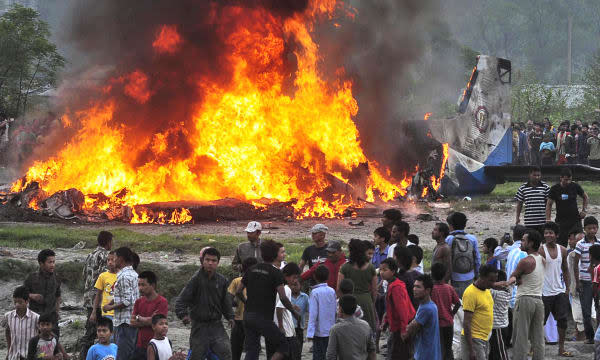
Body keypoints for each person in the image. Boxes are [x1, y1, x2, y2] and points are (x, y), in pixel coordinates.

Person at [237, 240, 300, 360]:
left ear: (261, 253)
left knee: (252, 351)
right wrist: (293, 312)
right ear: (275, 255)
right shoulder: (276, 273)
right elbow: (282, 297)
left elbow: (239, 291)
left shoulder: (251, 269)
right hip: (263, 318)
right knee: (283, 346)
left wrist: (247, 303)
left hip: (248, 316)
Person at [175, 247, 234, 360]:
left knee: (226, 353)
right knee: (197, 356)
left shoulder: (222, 280)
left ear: (218, 263)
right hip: (199, 326)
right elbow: (181, 301)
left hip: (217, 325)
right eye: (207, 260)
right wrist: (183, 315)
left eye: (213, 260)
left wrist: (230, 317)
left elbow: (226, 302)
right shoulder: (196, 280)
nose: (210, 263)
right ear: (202, 261)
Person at [505, 230, 545, 360]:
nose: (521, 243)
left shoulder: (526, 261)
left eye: (523, 240)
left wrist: (509, 282)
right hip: (539, 300)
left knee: (520, 337)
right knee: (538, 337)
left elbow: (513, 277)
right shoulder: (542, 260)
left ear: (531, 243)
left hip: (524, 300)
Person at [539, 221, 572, 356]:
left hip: (559, 291)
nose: (548, 235)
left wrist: (567, 288)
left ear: (556, 235)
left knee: (562, 321)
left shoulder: (562, 250)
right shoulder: (541, 250)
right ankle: (536, 347)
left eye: (551, 233)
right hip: (544, 292)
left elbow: (565, 270)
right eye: (546, 233)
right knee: (540, 321)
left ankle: (561, 348)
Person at [80, 231, 113, 360]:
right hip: (99, 301)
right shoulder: (106, 256)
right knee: (102, 331)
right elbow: (105, 279)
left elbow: (84, 274)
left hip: (88, 297)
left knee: (90, 331)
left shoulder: (90, 254)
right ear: (108, 242)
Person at [103, 246, 139, 360]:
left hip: (124, 323)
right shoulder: (134, 274)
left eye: (116, 258)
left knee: (123, 355)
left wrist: (110, 307)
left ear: (121, 259)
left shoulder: (123, 276)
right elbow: (124, 295)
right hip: (131, 321)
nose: (114, 261)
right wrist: (112, 302)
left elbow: (127, 300)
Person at [338, 239, 377, 332]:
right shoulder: (371, 267)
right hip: (366, 301)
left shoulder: (345, 267)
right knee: (367, 330)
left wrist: (341, 304)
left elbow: (338, 289)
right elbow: (374, 290)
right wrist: (372, 303)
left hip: (349, 302)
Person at [459, 264, 498, 360]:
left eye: (495, 281)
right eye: (491, 280)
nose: (493, 284)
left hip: (485, 338)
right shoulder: (470, 293)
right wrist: (471, 350)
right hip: (474, 339)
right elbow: (466, 323)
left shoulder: (487, 291)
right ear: (482, 277)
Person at [379, 258, 415, 360]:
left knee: (398, 354)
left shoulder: (397, 287)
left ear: (393, 271)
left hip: (401, 325)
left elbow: (402, 310)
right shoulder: (392, 284)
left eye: (385, 270)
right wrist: (386, 320)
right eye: (381, 269)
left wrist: (404, 330)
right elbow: (391, 307)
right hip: (397, 325)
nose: (381, 272)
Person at [23, 249, 61, 340]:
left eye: (53, 262)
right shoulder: (32, 278)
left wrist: (57, 311)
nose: (52, 265)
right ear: (41, 263)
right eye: (49, 262)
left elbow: (58, 296)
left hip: (51, 318)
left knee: (54, 342)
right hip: (36, 318)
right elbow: (21, 294)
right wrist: (32, 296)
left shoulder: (56, 277)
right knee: (35, 343)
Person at [573, 216, 600, 344]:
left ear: (597, 228)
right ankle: (590, 336)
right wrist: (577, 282)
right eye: (589, 228)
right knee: (586, 310)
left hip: (597, 281)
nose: (592, 231)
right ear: (585, 229)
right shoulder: (580, 244)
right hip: (585, 281)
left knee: (598, 309)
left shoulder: (599, 243)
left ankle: (598, 336)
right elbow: (575, 263)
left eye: (594, 228)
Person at [546, 167, 589, 247]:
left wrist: (584, 210)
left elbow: (585, 197)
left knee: (579, 242)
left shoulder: (575, 186)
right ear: (561, 178)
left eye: (570, 179)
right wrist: (548, 219)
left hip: (575, 220)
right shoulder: (555, 189)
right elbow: (549, 204)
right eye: (565, 180)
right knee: (560, 245)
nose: (568, 182)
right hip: (561, 221)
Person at [403, 274, 441, 360]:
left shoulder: (426, 309)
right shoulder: (429, 305)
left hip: (425, 355)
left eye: (418, 287)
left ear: (427, 290)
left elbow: (407, 333)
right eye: (414, 286)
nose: (414, 289)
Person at [131, 271, 169, 358]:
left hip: (157, 345)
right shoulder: (138, 301)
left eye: (143, 285)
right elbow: (132, 322)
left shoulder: (162, 302)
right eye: (139, 285)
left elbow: (157, 322)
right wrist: (147, 320)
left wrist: (139, 318)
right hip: (140, 345)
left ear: (152, 285)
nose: (140, 288)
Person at [326, 295, 375, 360]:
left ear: (340, 309)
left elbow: (331, 355)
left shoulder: (335, 329)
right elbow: (372, 350)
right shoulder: (365, 325)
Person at [269, 263, 301, 360]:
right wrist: (281, 326)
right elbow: (279, 308)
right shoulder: (286, 289)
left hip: (276, 328)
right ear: (286, 275)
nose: (295, 281)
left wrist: (292, 306)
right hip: (286, 331)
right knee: (286, 352)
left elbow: (280, 304)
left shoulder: (279, 287)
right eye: (294, 277)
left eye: (297, 278)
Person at [445, 212, 481, 298]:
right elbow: (477, 259)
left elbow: (446, 260)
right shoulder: (472, 238)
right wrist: (476, 275)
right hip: (470, 276)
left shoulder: (449, 239)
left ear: (451, 225)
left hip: (454, 277)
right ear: (465, 225)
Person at [228, 257, 258, 360]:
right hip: (253, 320)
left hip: (239, 319)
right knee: (252, 350)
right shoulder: (259, 281)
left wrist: (234, 304)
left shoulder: (236, 281)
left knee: (235, 350)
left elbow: (229, 300)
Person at [430, 263, 460, 360]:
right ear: (444, 275)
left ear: (432, 274)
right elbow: (458, 303)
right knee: (448, 348)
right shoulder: (449, 288)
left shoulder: (431, 290)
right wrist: (451, 313)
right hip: (448, 323)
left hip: (436, 324)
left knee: (437, 348)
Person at [2, 286, 39, 360]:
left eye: (20, 302)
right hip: (13, 356)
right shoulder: (8, 316)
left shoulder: (36, 318)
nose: (17, 305)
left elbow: (41, 337)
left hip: (29, 356)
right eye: (15, 302)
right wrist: (9, 351)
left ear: (27, 301)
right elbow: (7, 332)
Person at [308, 266, 336, 360]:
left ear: (315, 277)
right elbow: (334, 309)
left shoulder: (315, 292)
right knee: (329, 355)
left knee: (319, 356)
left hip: (319, 332)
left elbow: (313, 314)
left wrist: (310, 333)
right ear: (328, 277)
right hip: (331, 330)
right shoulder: (332, 291)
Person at [515, 166, 550, 235]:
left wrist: (548, 219)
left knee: (544, 243)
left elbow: (549, 204)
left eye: (538, 175)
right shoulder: (523, 188)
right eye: (534, 175)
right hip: (529, 222)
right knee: (530, 243)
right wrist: (517, 218)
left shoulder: (545, 187)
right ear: (530, 175)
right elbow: (519, 204)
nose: (537, 177)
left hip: (542, 222)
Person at [567, 230, 587, 341]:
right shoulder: (571, 254)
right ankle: (579, 335)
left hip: (585, 287)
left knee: (584, 313)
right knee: (577, 314)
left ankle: (582, 336)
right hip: (574, 288)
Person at [91, 251, 117, 324]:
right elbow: (98, 295)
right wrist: (94, 312)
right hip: (106, 313)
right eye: (108, 260)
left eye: (112, 260)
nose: (110, 262)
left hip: (118, 313)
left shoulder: (122, 276)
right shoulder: (103, 276)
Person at [489, 271, 510, 360]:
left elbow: (485, 287)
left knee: (501, 353)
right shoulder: (508, 290)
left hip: (498, 328)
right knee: (495, 351)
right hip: (502, 326)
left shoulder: (496, 294)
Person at [290, 279, 309, 360]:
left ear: (300, 286)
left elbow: (310, 311)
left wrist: (308, 323)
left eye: (295, 285)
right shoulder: (286, 297)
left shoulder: (305, 297)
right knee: (289, 352)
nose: (293, 287)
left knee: (298, 352)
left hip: (299, 328)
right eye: (292, 285)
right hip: (289, 328)